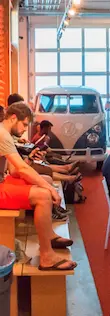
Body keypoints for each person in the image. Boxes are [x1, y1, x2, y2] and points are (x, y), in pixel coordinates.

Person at [0, 103, 74, 269]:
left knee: (45, 180)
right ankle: (47, 256)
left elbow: (14, 170)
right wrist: (49, 189)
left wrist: (30, 159)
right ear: (13, 118)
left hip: (3, 181)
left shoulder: (5, 133)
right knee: (43, 195)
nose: (25, 129)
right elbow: (21, 170)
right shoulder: (2, 134)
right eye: (24, 124)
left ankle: (49, 235)